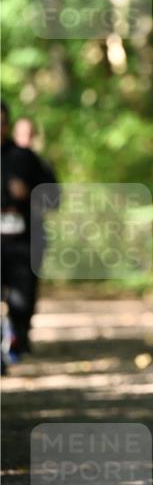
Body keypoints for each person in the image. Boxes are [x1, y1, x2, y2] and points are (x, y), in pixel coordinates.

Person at [1, 101, 54, 366]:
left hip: (23, 244)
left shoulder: (26, 159)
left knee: (22, 301)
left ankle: (17, 341)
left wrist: (29, 195)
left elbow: (53, 199)